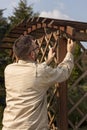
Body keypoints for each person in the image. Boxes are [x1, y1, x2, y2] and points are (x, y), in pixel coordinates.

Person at [2, 35, 75, 130]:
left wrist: (48, 61)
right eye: (37, 47)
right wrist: (70, 53)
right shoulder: (39, 71)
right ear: (32, 54)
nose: (38, 49)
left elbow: (32, 74)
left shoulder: (9, 70)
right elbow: (64, 72)